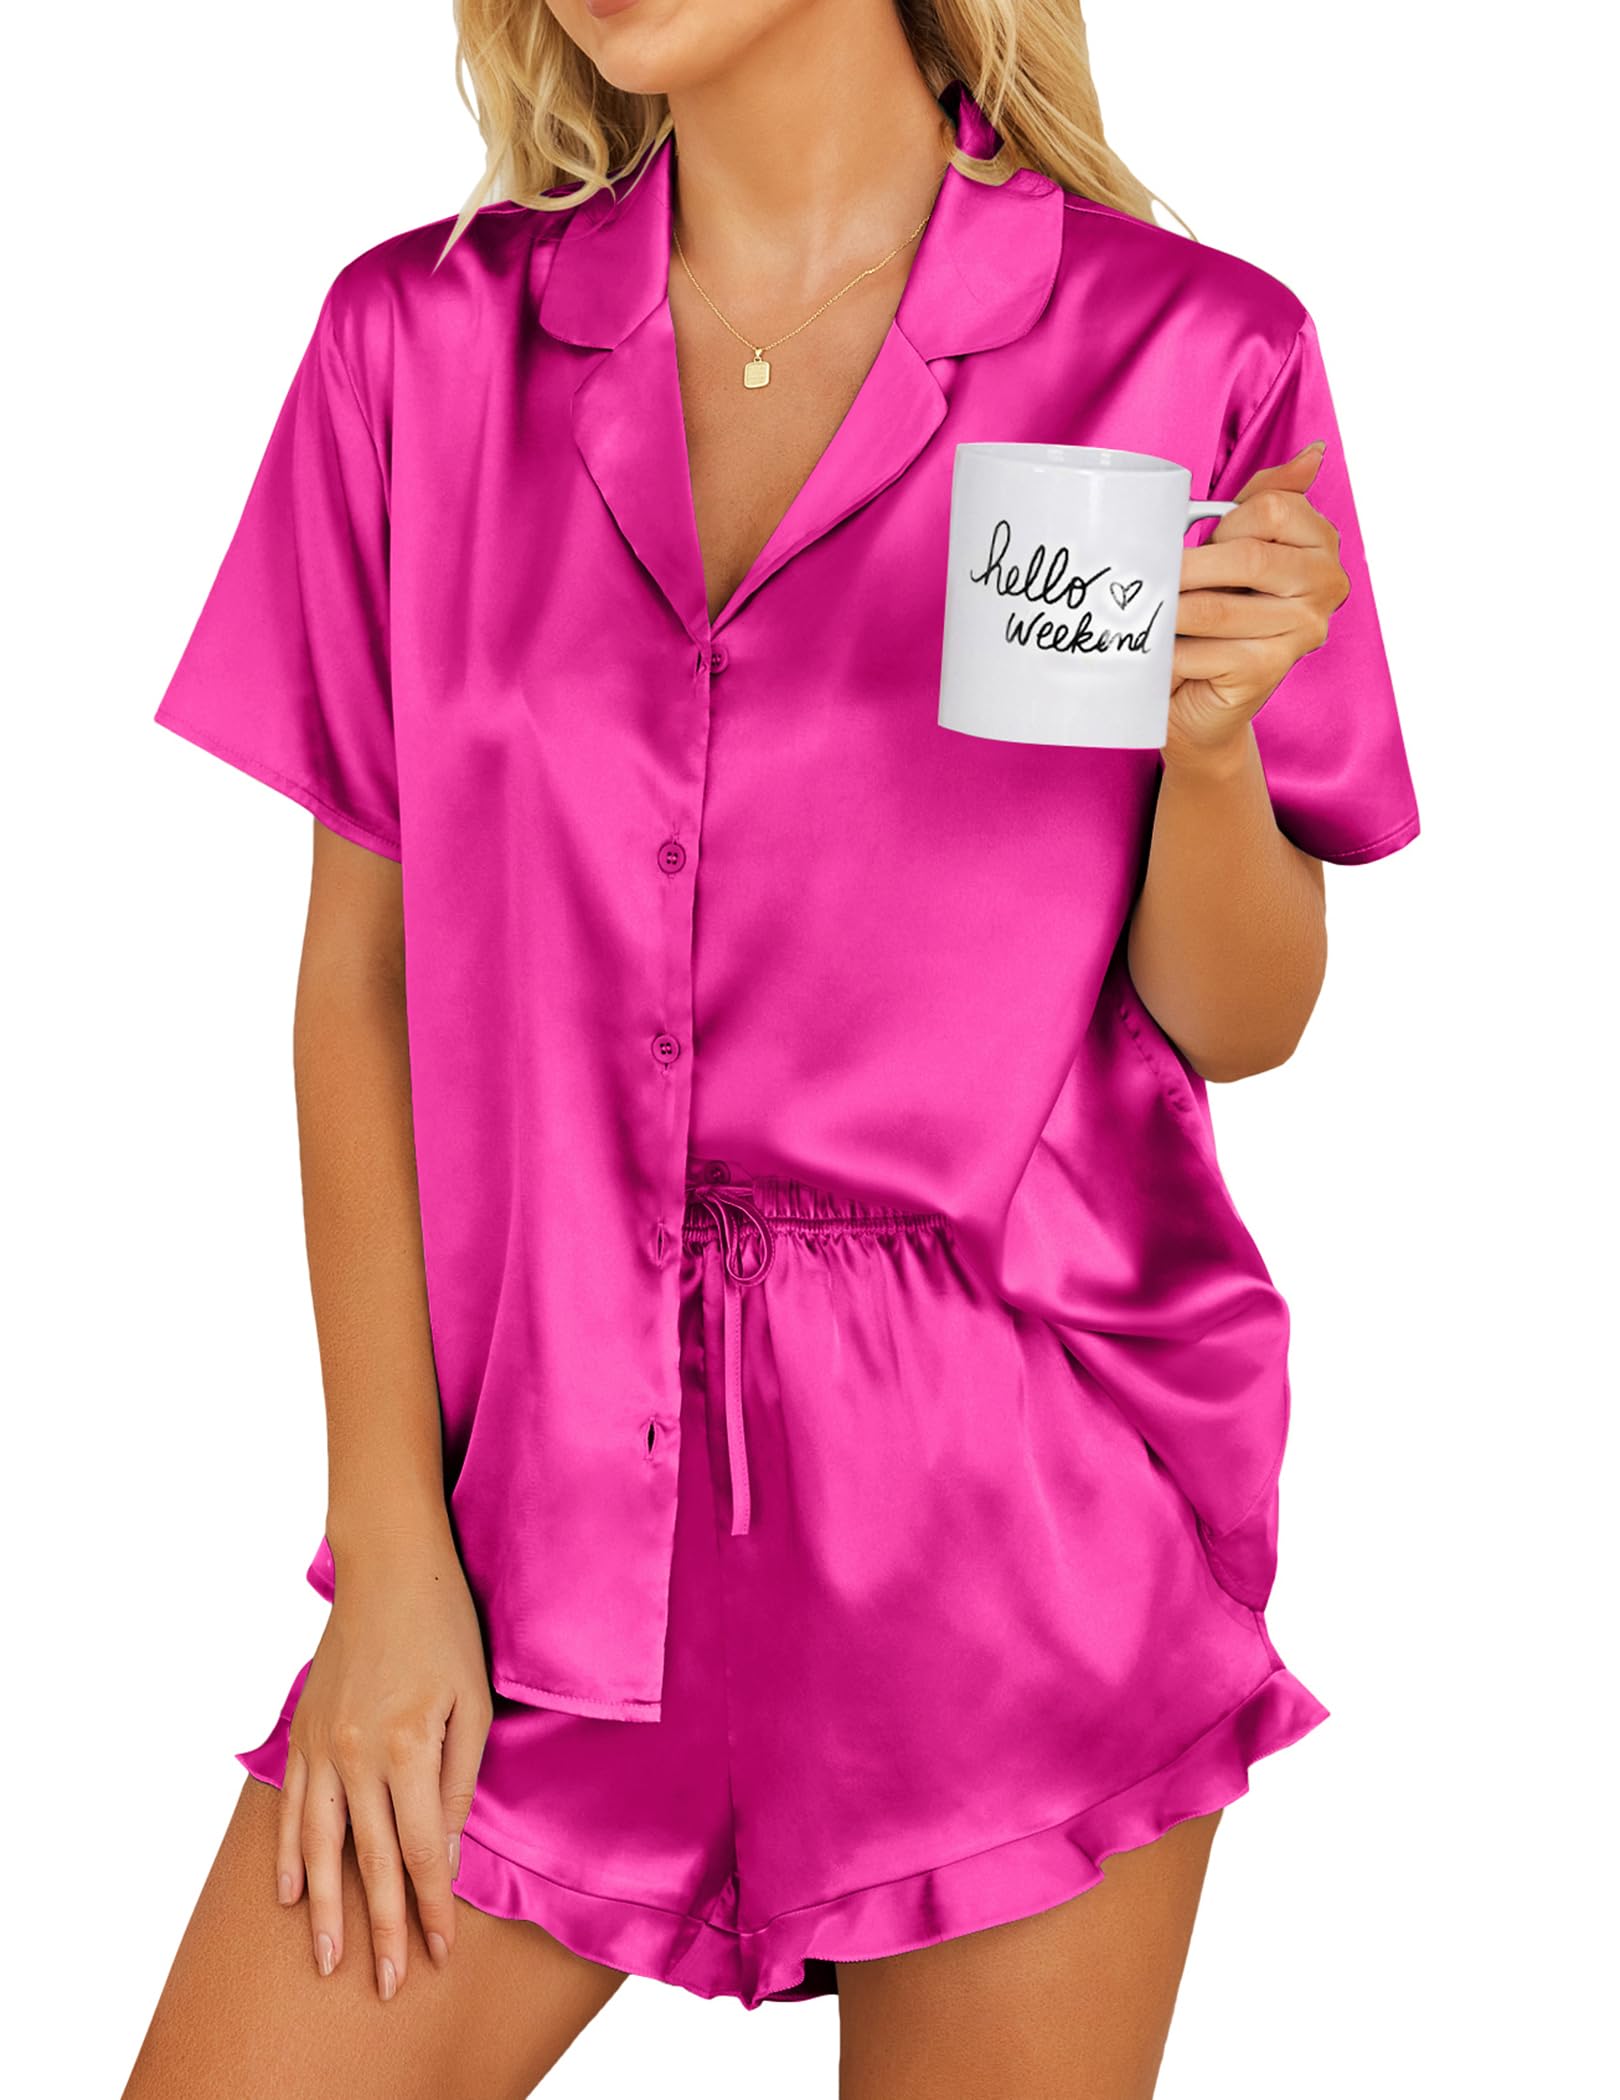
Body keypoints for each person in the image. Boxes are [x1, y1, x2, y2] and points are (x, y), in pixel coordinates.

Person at [123, 1, 1419, 2094]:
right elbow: (358, 976)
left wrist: (1203, 752)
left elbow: (1243, 1022)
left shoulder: (1186, 358)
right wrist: (391, 1561)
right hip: (535, 1513)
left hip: (1008, 1525)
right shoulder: (418, 349)